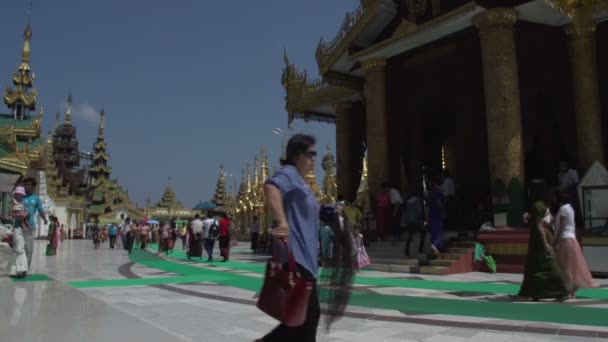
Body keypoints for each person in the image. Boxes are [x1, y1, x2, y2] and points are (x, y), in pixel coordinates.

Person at [257, 134, 352, 341]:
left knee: (299, 321)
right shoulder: (289, 173)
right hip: (297, 258)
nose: (314, 159)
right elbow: (271, 186)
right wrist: (281, 221)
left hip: (308, 261)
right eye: (311, 154)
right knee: (306, 318)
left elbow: (311, 212)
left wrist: (329, 211)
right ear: (297, 156)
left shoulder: (301, 183)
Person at [515, 180, 568, 301]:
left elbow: (539, 226)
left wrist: (545, 243)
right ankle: (534, 292)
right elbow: (545, 221)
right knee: (536, 266)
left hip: (539, 238)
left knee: (545, 264)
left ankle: (561, 290)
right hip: (541, 237)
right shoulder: (543, 205)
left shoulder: (538, 205)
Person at [552, 189, 599, 299]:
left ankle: (567, 290)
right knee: (572, 265)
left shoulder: (563, 209)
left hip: (565, 238)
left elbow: (562, 226)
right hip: (572, 238)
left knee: (564, 265)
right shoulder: (570, 208)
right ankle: (572, 289)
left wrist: (555, 240)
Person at [403, 191, 426, 257]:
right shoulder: (418, 200)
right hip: (416, 221)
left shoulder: (407, 201)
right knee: (423, 232)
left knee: (410, 236)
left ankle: (407, 252)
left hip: (410, 221)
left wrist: (406, 220)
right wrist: (421, 220)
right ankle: (420, 249)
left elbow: (406, 212)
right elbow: (419, 211)